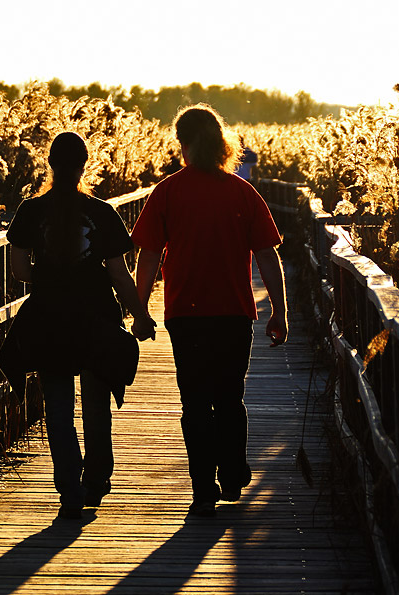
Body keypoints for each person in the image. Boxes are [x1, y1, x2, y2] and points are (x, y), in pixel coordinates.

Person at [131, 104, 288, 517]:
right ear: (222, 143)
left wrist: (140, 309)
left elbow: (148, 256)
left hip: (185, 313)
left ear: (181, 144)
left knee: (196, 403)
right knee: (230, 397)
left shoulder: (167, 191)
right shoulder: (241, 192)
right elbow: (268, 255)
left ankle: (203, 490)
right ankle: (233, 469)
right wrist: (280, 311)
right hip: (234, 312)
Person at [0, 131, 156, 520]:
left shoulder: (30, 211)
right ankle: (97, 481)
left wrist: (52, 278)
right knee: (95, 404)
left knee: (57, 408)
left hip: (49, 318)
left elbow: (19, 269)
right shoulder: (102, 212)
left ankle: (69, 490)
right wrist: (140, 315)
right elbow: (120, 274)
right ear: (85, 164)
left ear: (49, 164)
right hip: (97, 317)